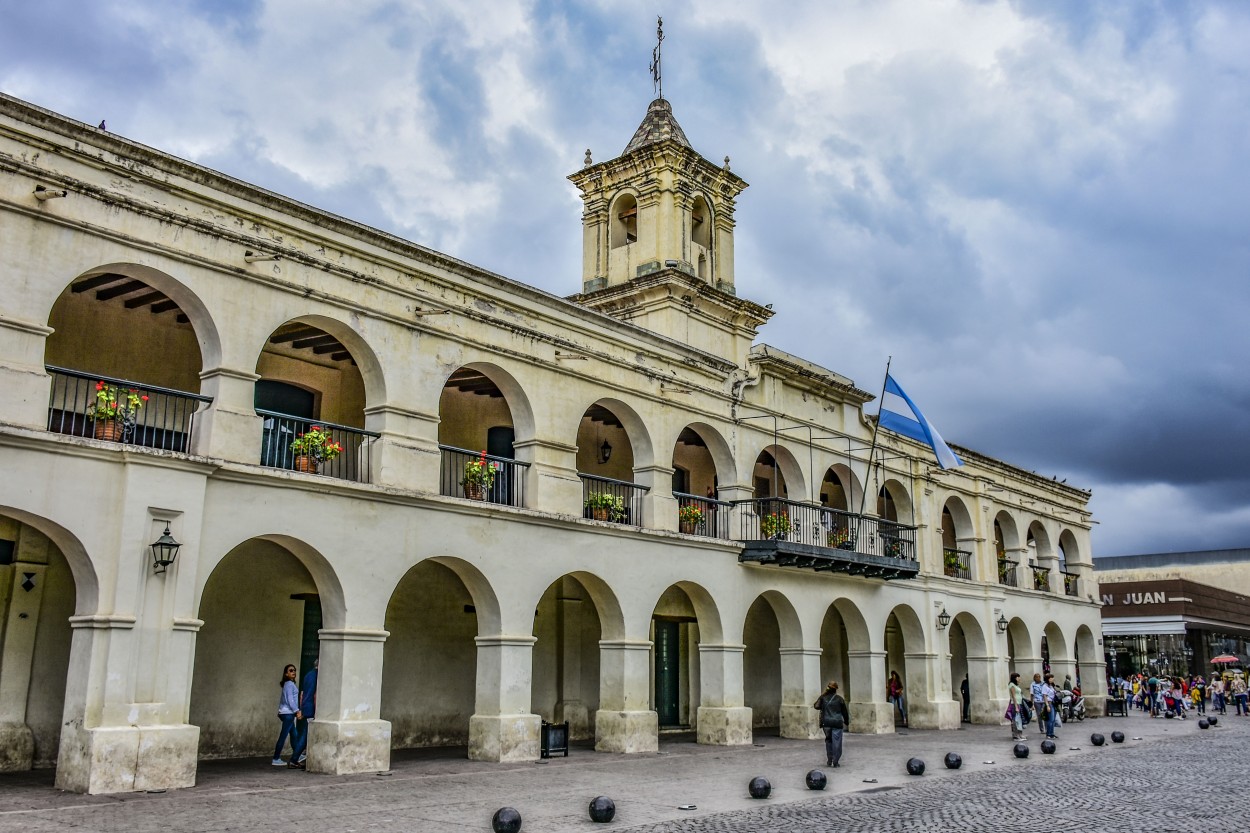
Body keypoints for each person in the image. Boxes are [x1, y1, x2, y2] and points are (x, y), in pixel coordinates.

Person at [289, 659, 318, 769]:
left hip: (307, 707)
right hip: (311, 708)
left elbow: (303, 693)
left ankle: (296, 759)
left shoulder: (309, 674)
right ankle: (294, 759)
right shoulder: (315, 676)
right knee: (305, 736)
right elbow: (312, 694)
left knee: (305, 735)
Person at [813, 680, 850, 767]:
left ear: (828, 689)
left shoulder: (823, 698)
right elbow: (845, 712)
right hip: (837, 723)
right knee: (837, 742)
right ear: (836, 690)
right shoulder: (840, 699)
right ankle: (835, 761)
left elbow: (816, 706)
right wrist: (846, 721)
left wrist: (822, 695)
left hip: (826, 723)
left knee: (828, 741)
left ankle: (829, 760)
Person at [272, 664, 302, 766]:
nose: (293, 672)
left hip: (286, 713)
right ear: (286, 673)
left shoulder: (288, 684)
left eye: (294, 670)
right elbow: (290, 700)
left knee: (294, 734)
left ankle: (297, 754)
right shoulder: (289, 684)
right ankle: (276, 758)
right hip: (288, 714)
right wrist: (297, 711)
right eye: (290, 670)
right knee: (283, 736)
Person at [1007, 672, 1025, 741]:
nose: (1019, 679)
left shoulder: (1016, 685)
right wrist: (1016, 706)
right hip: (1015, 704)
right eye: (1018, 677)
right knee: (1015, 720)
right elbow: (1014, 696)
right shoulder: (1012, 685)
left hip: (1019, 703)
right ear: (1015, 678)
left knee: (1019, 719)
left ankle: (1019, 734)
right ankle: (1015, 735)